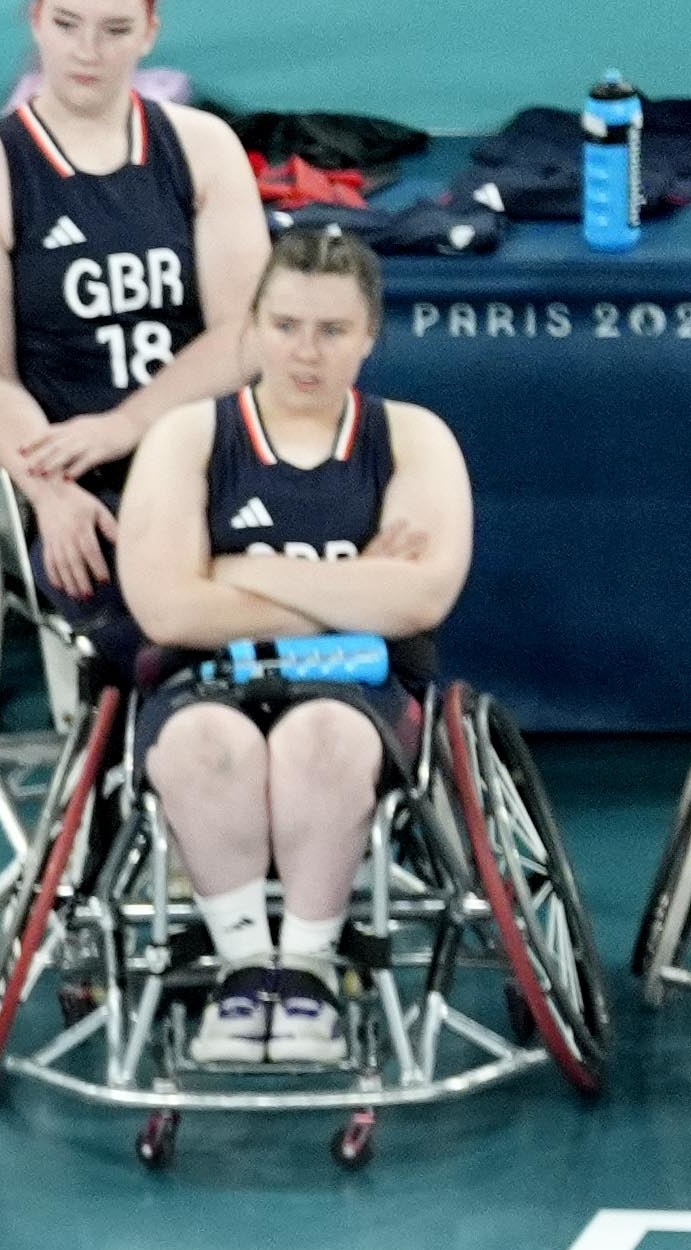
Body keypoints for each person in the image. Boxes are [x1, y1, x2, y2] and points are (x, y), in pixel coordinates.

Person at [117, 223, 468, 1068]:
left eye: (331, 330)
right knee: (205, 743)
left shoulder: (412, 437)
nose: (305, 352)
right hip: (204, 684)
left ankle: (305, 972)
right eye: (284, 326)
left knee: (322, 738)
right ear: (252, 325)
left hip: (359, 691)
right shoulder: (187, 437)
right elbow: (164, 611)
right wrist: (350, 588)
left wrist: (235, 572)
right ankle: (245, 971)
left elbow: (419, 599)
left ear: (369, 336)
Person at [0, 0, 268, 650]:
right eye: (67, 24)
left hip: (205, 454)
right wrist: (49, 494)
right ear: (35, 21)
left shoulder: (202, 148)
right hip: (77, 475)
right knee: (129, 587)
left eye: (114, 30)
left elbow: (242, 335)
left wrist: (126, 424)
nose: (88, 50)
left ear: (148, 33)